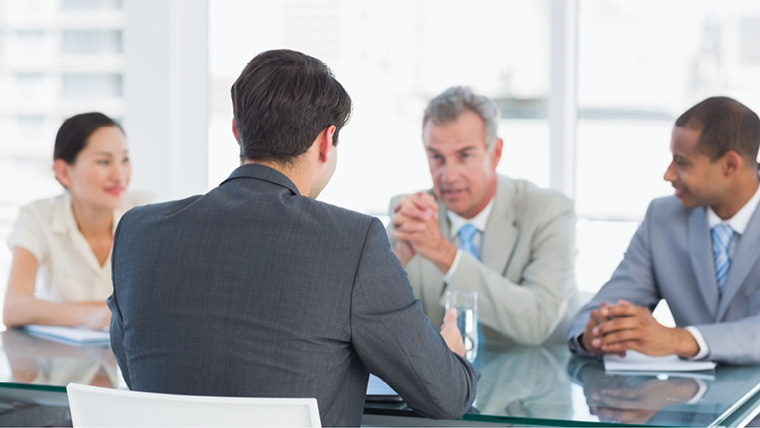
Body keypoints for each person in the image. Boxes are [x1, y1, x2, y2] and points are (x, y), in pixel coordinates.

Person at [108, 49, 478, 427]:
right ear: (326, 141)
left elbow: (137, 371)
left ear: (237, 131)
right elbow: (447, 396)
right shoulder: (354, 241)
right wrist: (450, 354)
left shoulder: (137, 232)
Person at [567, 96, 760, 364]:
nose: (668, 175)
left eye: (682, 162)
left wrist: (677, 339)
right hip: (685, 399)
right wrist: (598, 332)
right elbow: (594, 313)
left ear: (730, 165)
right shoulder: (662, 218)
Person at [389, 86, 577, 346]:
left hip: (536, 380)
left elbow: (538, 321)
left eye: (465, 155)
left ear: (495, 153)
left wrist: (444, 254)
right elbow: (372, 322)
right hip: (444, 383)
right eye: (436, 157)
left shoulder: (549, 211)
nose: (448, 176)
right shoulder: (414, 212)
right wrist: (397, 259)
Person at [3, 112, 148, 330]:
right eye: (103, 161)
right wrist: (93, 315)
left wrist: (65, 312)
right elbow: (14, 308)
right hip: (60, 359)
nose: (120, 175)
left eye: (125, 159)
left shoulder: (146, 212)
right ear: (63, 172)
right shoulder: (39, 216)